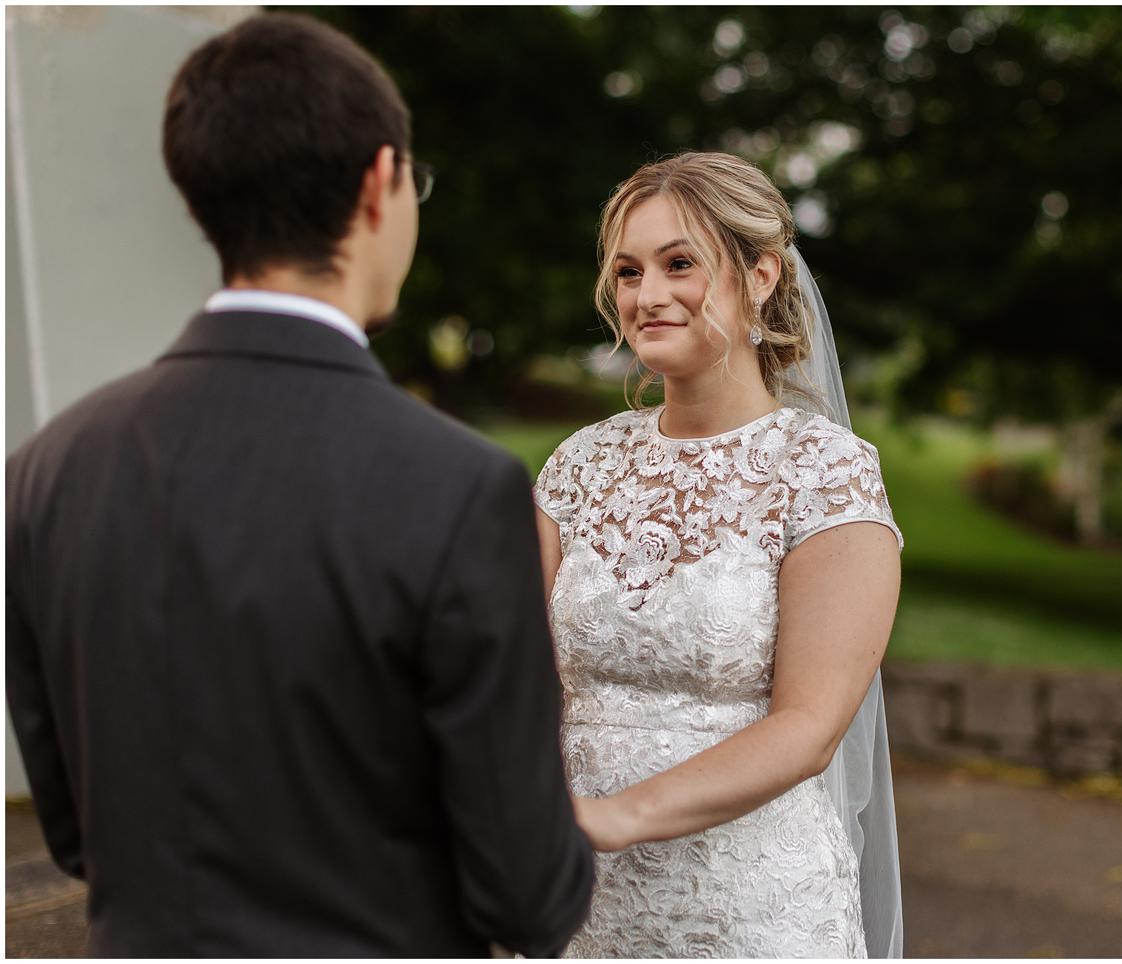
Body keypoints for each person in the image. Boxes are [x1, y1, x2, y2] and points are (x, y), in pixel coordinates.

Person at [6, 13, 592, 957]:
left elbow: (76, 833)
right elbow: (528, 894)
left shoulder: (45, 470)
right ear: (378, 182)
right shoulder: (456, 484)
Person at [533, 151, 904, 957]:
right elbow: (509, 667)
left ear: (760, 275)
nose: (647, 295)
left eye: (679, 264)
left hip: (746, 908)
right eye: (628, 271)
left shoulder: (825, 474)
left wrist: (612, 818)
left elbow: (808, 728)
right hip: (577, 901)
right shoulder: (579, 465)